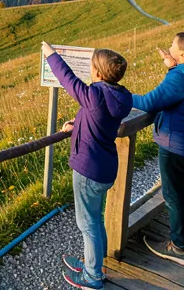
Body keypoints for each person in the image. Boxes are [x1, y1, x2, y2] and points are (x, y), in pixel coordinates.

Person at [41, 42, 133, 289]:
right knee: (95, 218)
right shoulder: (120, 97)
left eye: (93, 68)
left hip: (88, 170)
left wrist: (51, 54)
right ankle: (96, 265)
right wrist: (77, 122)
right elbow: (96, 118)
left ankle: (92, 278)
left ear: (99, 74)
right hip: (105, 167)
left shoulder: (94, 96)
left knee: (87, 223)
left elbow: (67, 78)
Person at [132, 33, 184, 267]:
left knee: (173, 196)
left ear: (182, 54)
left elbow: (149, 102)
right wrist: (173, 68)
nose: (169, 48)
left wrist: (120, 96)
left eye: (173, 46)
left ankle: (178, 247)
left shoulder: (179, 78)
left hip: (174, 144)